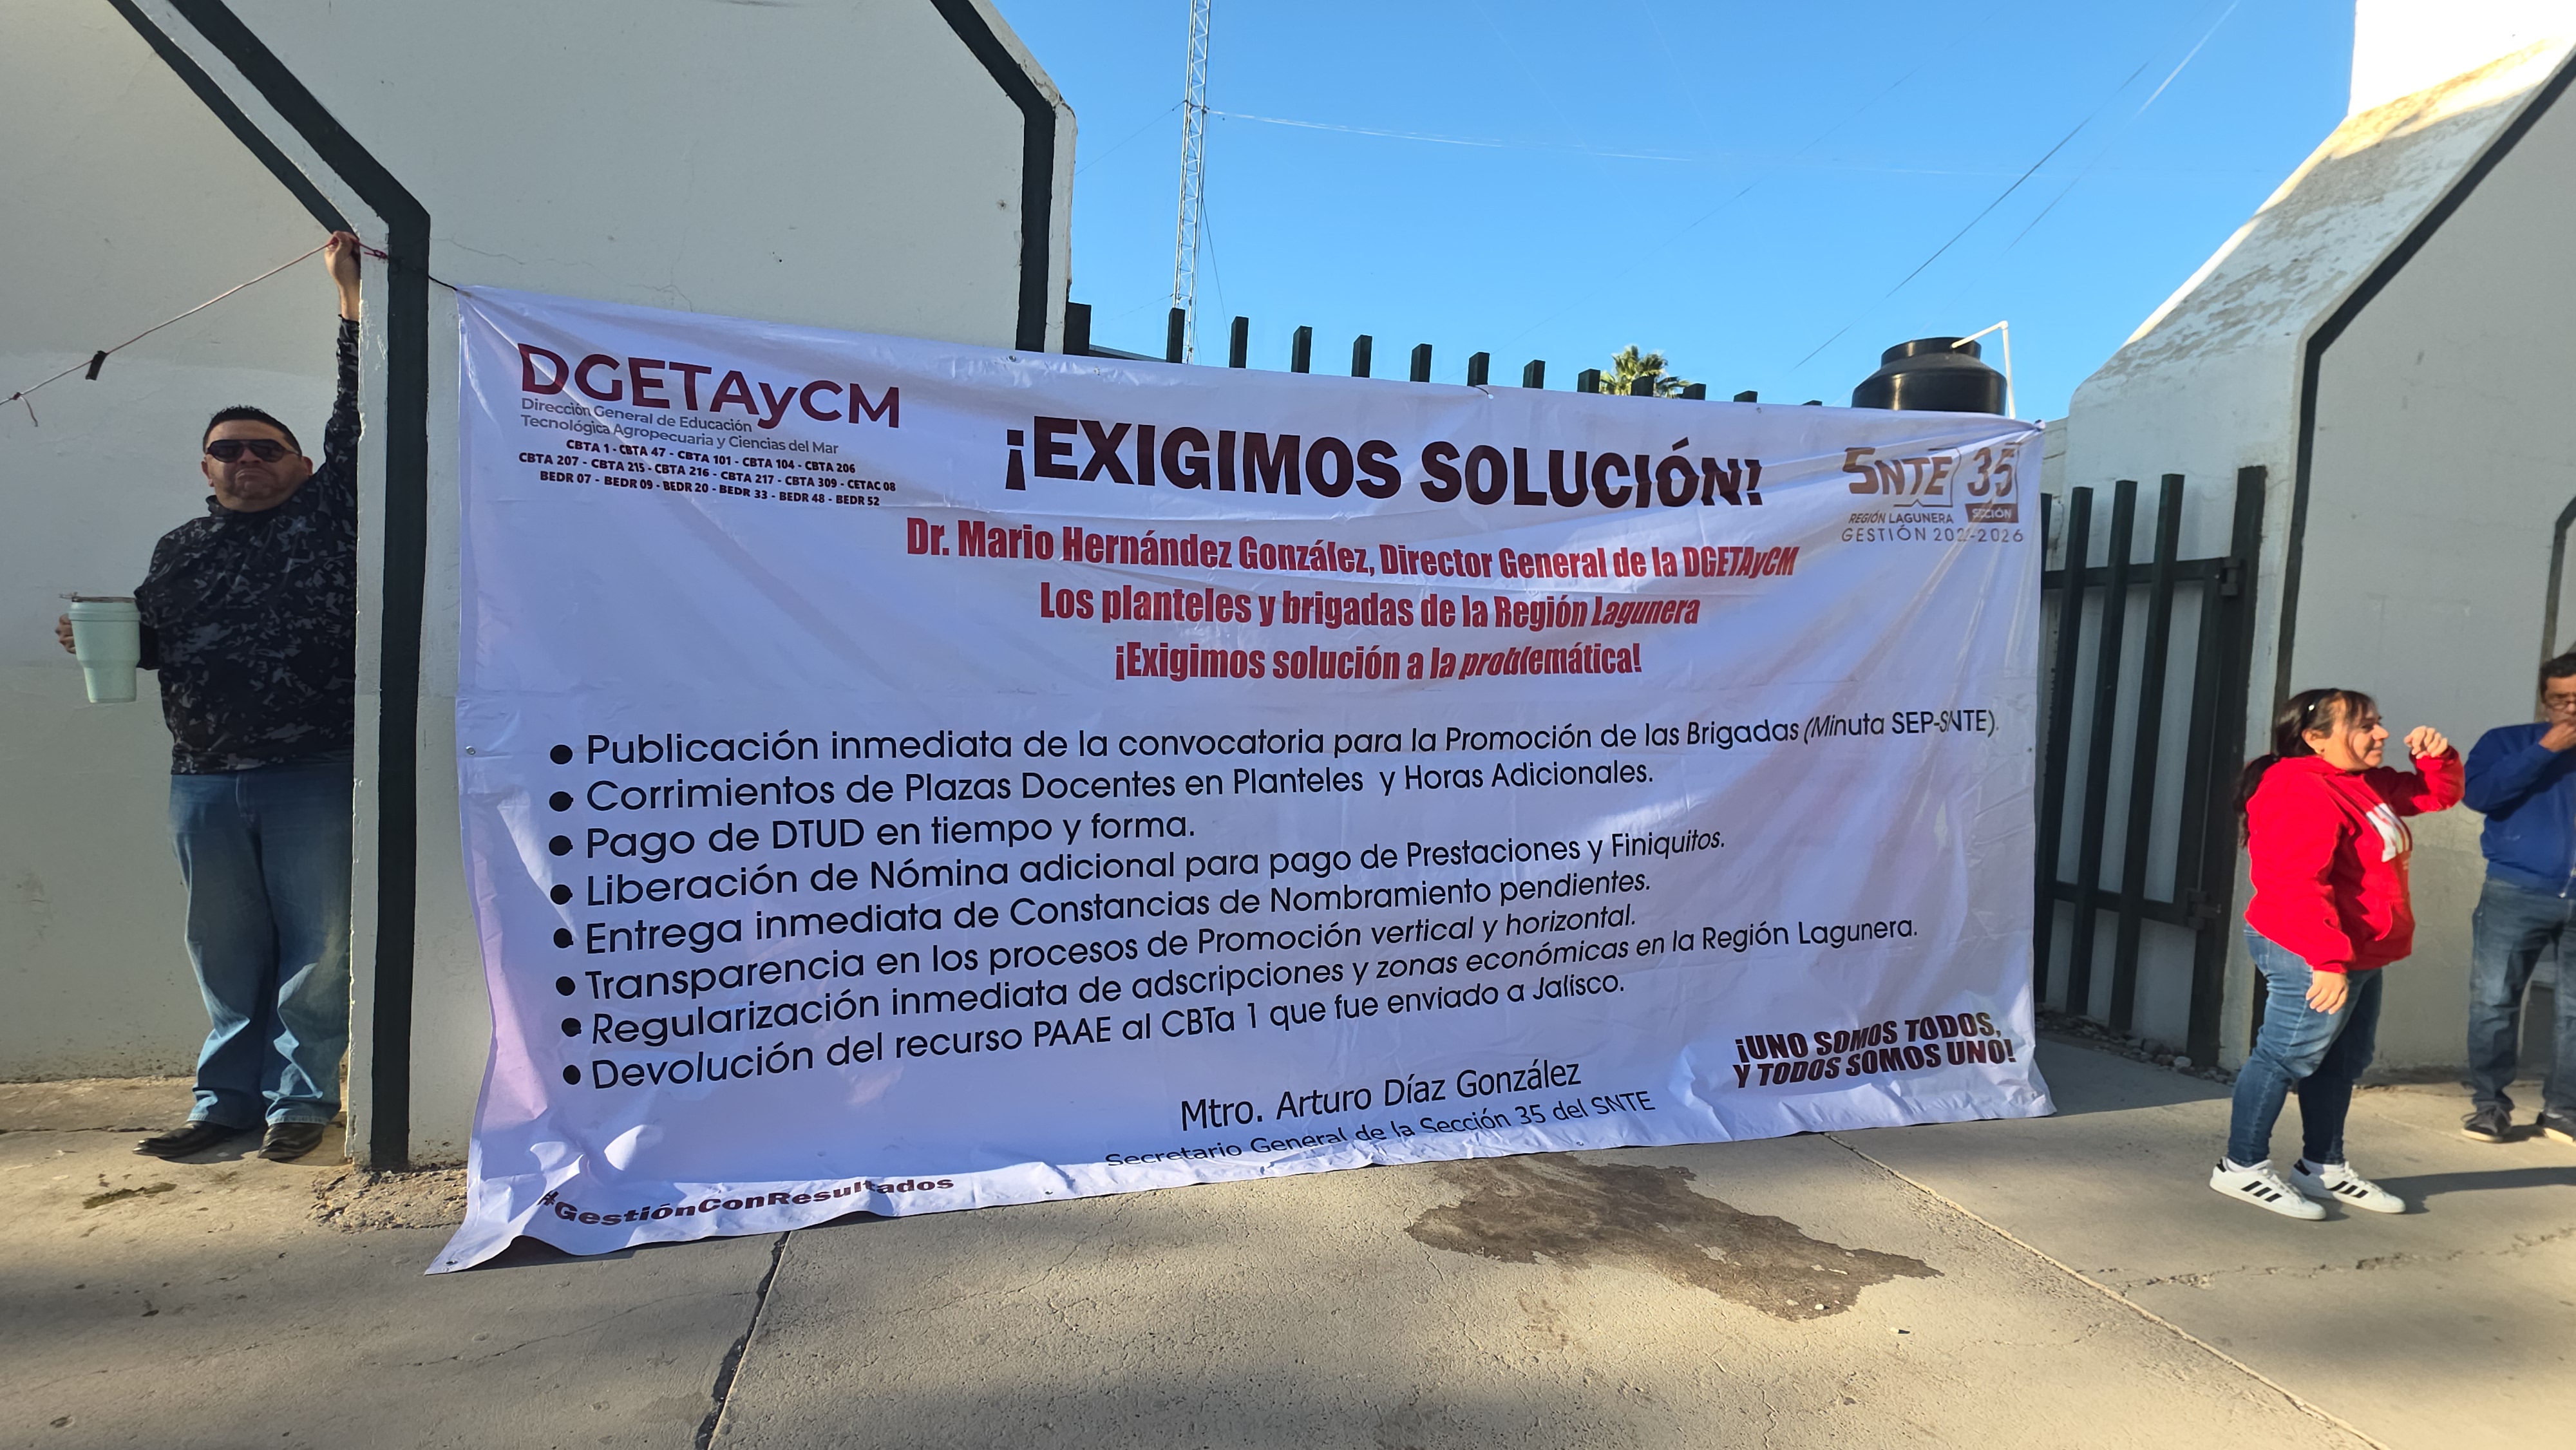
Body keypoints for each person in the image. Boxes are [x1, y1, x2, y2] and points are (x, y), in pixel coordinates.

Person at [54, 231, 364, 1163]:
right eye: (228, 450)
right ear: (207, 469)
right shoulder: (179, 550)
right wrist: (113, 643)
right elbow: (165, 645)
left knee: (317, 950)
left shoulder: (327, 518)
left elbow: (359, 417)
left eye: (267, 448)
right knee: (224, 952)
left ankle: (299, 1101)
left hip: (312, 769)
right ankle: (224, 1100)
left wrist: (349, 305)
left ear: (300, 465)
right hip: (201, 779)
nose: (246, 459)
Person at [2211, 688, 2459, 1218]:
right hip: (2309, 948)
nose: (2382, 733)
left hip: (2358, 950)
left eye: (2378, 722)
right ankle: (2241, 1166)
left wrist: (2436, 759)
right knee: (2284, 1056)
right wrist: (2325, 961)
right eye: (2365, 726)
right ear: (2315, 738)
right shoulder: (2298, 789)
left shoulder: (2363, 782)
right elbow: (2296, 883)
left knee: (2341, 1061)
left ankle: (2322, 1166)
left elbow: (2433, 797)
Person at [2458, 653, 2576, 1145]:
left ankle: (2563, 1110)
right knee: (2494, 999)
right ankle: (2490, 1106)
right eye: (2559, 699)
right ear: (2544, 701)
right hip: (2516, 889)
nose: (2570, 708)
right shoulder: (2506, 741)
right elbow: (2479, 795)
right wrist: (2544, 750)